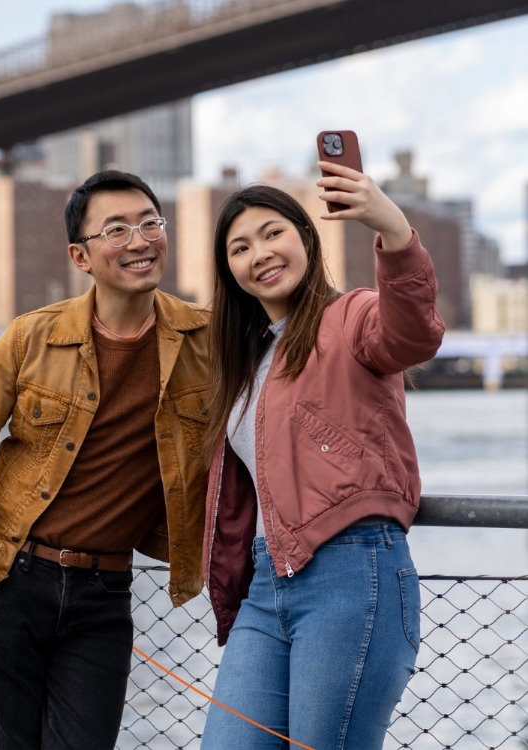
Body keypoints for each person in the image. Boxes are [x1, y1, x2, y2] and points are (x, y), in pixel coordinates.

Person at [0, 169, 212, 749]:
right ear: (80, 256)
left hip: (103, 596)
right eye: (116, 230)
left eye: (149, 223)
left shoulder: (207, 342)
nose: (139, 241)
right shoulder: (30, 338)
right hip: (11, 582)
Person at [199, 161, 445, 748]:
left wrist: (392, 229)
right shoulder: (242, 360)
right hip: (265, 584)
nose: (258, 252)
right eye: (239, 247)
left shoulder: (351, 317)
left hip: (352, 573)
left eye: (272, 232)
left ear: (306, 239)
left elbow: (413, 333)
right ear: (229, 271)